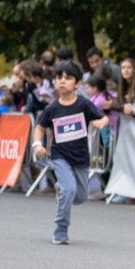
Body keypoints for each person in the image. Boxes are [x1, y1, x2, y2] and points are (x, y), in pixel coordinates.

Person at [31, 60, 110, 245]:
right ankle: (61, 228)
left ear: (78, 84)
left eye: (68, 78)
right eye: (59, 77)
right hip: (60, 156)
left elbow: (104, 117)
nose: (62, 81)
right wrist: (37, 144)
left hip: (81, 158)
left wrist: (102, 122)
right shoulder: (52, 108)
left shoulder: (84, 104)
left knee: (81, 196)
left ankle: (63, 191)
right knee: (69, 189)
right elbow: (40, 128)